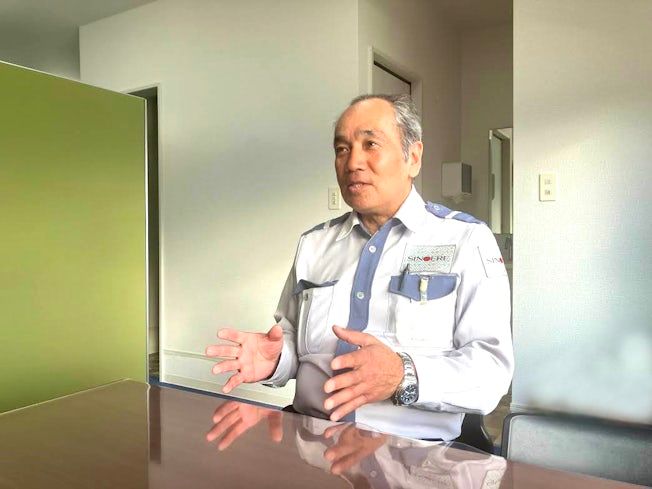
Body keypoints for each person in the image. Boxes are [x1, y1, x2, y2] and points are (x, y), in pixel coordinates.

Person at [206, 94, 513, 441]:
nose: (352, 162)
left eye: (371, 144)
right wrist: (276, 360)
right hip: (311, 445)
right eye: (342, 149)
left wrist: (403, 375)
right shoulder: (314, 244)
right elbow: (295, 343)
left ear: (413, 157)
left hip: (414, 455)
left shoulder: (466, 240)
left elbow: (492, 372)